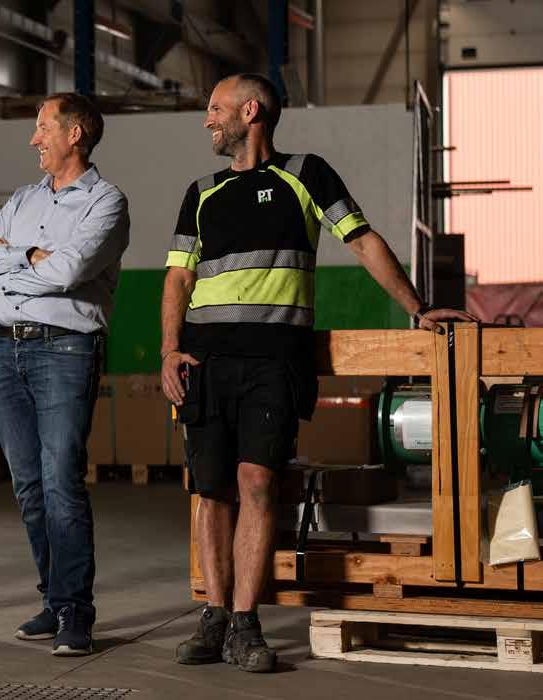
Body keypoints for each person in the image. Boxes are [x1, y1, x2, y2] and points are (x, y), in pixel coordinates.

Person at [162, 74, 476, 673]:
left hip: (275, 360)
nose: (207, 120)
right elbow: (179, 276)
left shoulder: (306, 174)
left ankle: (245, 625)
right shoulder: (200, 192)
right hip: (205, 361)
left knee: (257, 483)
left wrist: (417, 308)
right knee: (211, 491)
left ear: (250, 111)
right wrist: (168, 348)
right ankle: (215, 615)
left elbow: (361, 241)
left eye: (216, 109)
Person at [0, 93, 130, 656]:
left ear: (74, 134)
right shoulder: (22, 199)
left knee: (61, 481)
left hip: (65, 350)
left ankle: (76, 612)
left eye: (42, 128)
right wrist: (27, 255)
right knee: (29, 485)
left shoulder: (106, 202)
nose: (33, 139)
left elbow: (68, 271)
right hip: (5, 349)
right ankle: (54, 600)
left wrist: (8, 261)